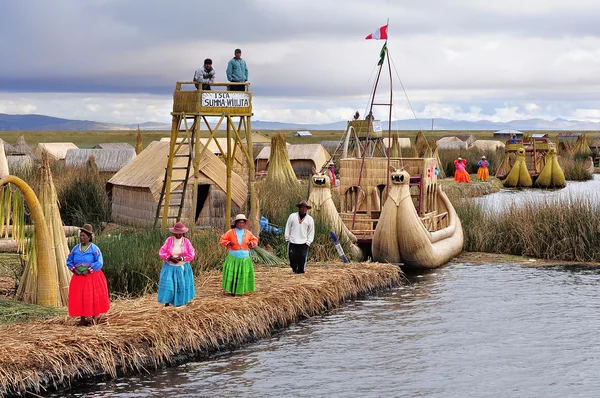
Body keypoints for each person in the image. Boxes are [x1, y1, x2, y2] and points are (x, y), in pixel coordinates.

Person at [66, 224, 110, 326]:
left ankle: (94, 318)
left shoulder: (94, 249)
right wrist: (74, 269)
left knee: (93, 297)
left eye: (84, 236)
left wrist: (89, 270)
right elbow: (69, 260)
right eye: (80, 236)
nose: (81, 238)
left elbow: (99, 262)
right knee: (80, 297)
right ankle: (82, 319)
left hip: (92, 277)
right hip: (79, 277)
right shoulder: (75, 249)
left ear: (89, 237)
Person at [158, 222, 196, 306]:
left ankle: (181, 301)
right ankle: (167, 301)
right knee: (169, 285)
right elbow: (162, 251)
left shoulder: (186, 242)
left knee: (181, 284)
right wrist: (169, 257)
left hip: (182, 266)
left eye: (180, 234)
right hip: (170, 267)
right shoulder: (169, 240)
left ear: (183, 233)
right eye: (176, 233)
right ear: (173, 232)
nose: (178, 235)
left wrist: (182, 258)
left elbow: (191, 253)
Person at [220, 214, 258, 295]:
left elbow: (255, 240)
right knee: (234, 275)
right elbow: (222, 239)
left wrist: (250, 243)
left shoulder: (248, 233)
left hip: (244, 258)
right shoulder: (231, 232)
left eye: (242, 223)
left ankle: (241, 290)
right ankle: (233, 290)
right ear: (236, 223)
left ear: (245, 224)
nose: (241, 224)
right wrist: (229, 242)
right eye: (239, 223)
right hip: (234, 258)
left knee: (242, 274)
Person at [285, 200, 315, 274]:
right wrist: (287, 237)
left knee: (302, 258)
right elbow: (288, 227)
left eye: (305, 208)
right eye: (302, 207)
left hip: (304, 242)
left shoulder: (310, 219)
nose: (304, 209)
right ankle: (294, 268)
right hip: (293, 241)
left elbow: (311, 231)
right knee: (292, 257)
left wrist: (309, 241)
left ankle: (300, 272)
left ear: (307, 209)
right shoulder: (292, 216)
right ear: (299, 208)